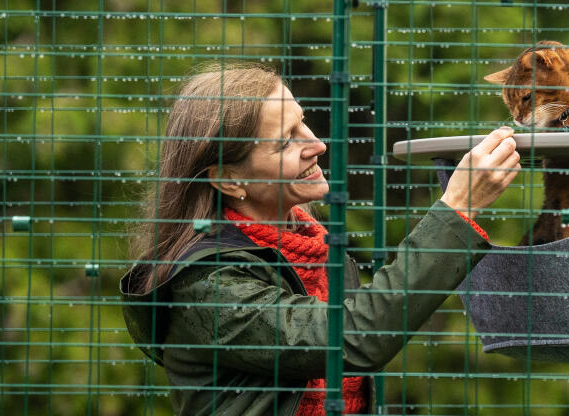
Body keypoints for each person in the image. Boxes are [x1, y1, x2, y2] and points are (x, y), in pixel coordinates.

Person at [119, 62, 520, 416]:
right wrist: (457, 209)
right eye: (286, 140)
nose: (317, 145)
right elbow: (352, 339)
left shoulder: (319, 249)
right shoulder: (207, 282)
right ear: (228, 178)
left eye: (303, 122)